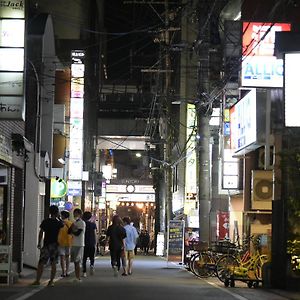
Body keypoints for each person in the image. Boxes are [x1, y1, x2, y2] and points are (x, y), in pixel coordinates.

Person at [32, 205, 63, 287]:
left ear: (49, 212)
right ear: (57, 212)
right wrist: (59, 217)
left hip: (46, 244)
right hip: (55, 245)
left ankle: (37, 280)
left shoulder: (45, 221)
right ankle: (51, 281)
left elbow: (41, 232)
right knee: (53, 263)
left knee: (41, 262)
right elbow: (62, 229)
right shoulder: (58, 223)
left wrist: (39, 242)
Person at [69, 208, 86, 283]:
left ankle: (78, 277)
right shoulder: (75, 222)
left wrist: (73, 229)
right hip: (74, 244)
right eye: (73, 213)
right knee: (75, 262)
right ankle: (76, 277)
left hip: (79, 244)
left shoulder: (81, 223)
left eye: (75, 213)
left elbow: (78, 233)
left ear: (79, 214)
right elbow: (69, 231)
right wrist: (73, 228)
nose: (74, 215)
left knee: (77, 261)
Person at [82, 211, 97, 277]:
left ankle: (84, 272)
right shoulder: (93, 224)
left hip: (84, 242)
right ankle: (91, 265)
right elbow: (95, 234)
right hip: (91, 242)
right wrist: (95, 242)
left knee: (84, 258)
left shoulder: (82, 223)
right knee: (92, 257)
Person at [57, 210, 73, 277]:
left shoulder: (59, 223)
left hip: (60, 242)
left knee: (62, 257)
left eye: (61, 215)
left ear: (63, 216)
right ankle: (67, 272)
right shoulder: (71, 223)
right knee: (67, 257)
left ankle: (63, 272)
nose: (60, 216)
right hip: (69, 242)